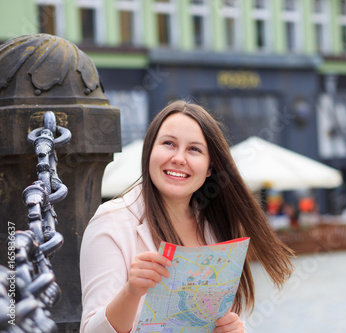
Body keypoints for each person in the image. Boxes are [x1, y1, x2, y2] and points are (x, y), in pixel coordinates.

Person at [80, 100, 295, 333]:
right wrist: (131, 291)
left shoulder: (215, 227)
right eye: (169, 144)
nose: (179, 158)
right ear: (150, 150)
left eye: (194, 149)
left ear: (210, 167)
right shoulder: (112, 221)